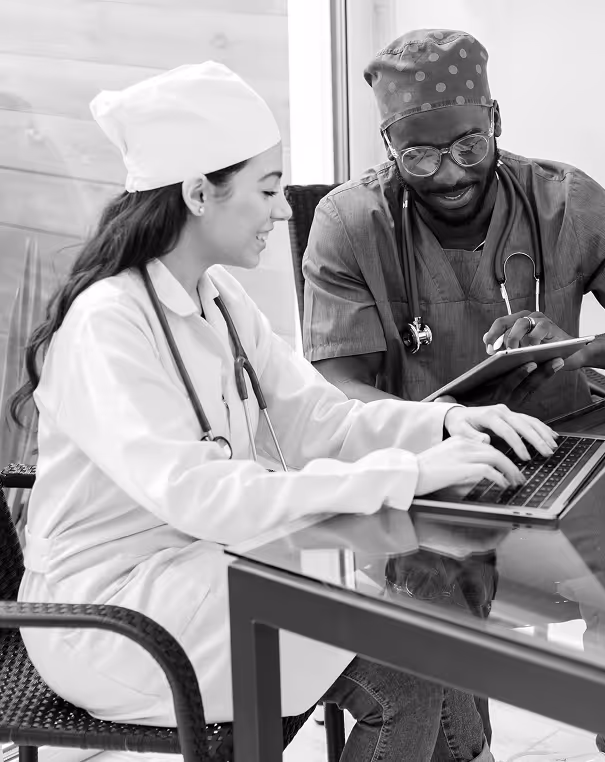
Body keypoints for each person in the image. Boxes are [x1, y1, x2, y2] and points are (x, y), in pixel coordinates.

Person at [9, 62, 562, 762]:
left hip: (203, 572)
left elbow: (320, 422)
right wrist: (408, 473)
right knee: (408, 668)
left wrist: (443, 424)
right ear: (199, 193)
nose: (281, 211)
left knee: (429, 622)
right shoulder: (108, 325)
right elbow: (202, 497)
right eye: (268, 189)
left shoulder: (218, 300)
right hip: (113, 617)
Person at [301, 28, 605, 422]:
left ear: (496, 121)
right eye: (419, 156)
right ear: (388, 145)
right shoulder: (349, 223)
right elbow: (336, 393)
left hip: (560, 443)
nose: (449, 174)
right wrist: (448, 423)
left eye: (470, 146)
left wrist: (578, 351)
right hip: (420, 463)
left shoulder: (563, 202)